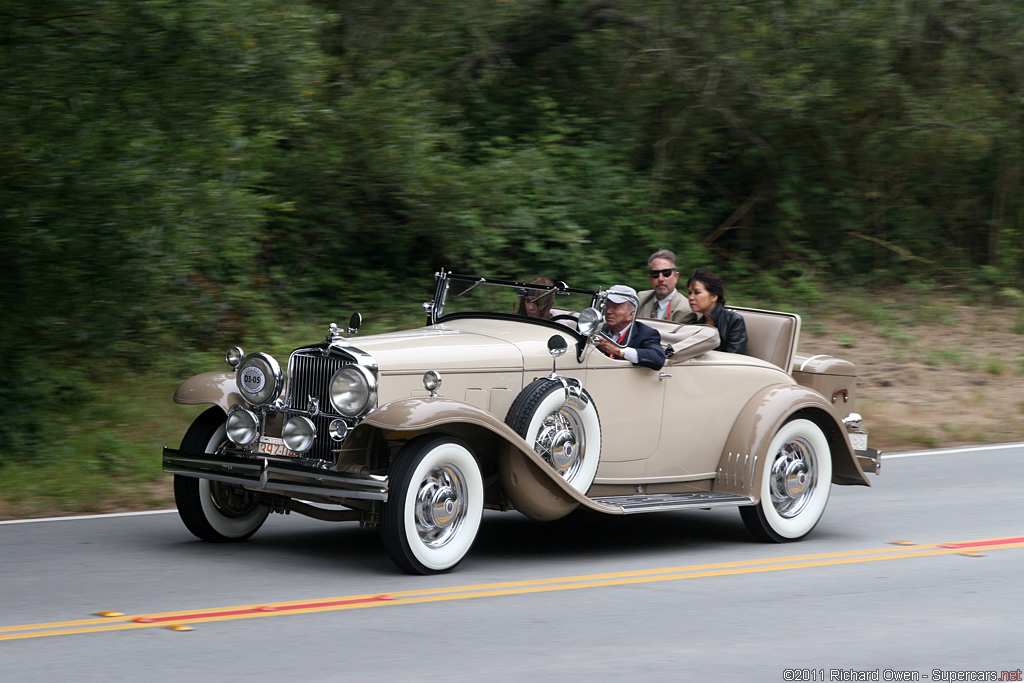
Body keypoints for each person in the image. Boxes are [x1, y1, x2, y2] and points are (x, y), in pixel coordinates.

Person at [595, 285, 666, 370]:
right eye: (607, 306)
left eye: (616, 307)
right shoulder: (598, 329)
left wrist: (619, 351)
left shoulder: (646, 334)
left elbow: (658, 359)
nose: (608, 311)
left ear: (631, 314)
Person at [687, 268, 747, 354]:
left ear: (714, 297)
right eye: (690, 293)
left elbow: (736, 356)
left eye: (697, 292)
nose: (691, 297)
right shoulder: (695, 323)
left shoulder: (734, 321)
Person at [636, 249, 696, 323]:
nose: (660, 279)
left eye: (666, 273)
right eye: (655, 273)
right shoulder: (640, 299)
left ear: (676, 276)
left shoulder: (686, 310)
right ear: (650, 278)